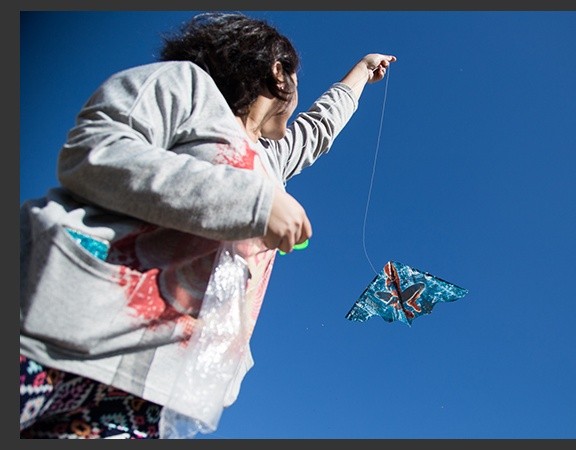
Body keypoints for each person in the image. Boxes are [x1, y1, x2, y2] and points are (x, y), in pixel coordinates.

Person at [19, 11, 396, 439]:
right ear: (278, 71)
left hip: (145, 390)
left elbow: (319, 128)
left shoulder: (271, 159)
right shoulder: (186, 85)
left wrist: (361, 73)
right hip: (52, 331)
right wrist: (254, 203)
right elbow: (95, 151)